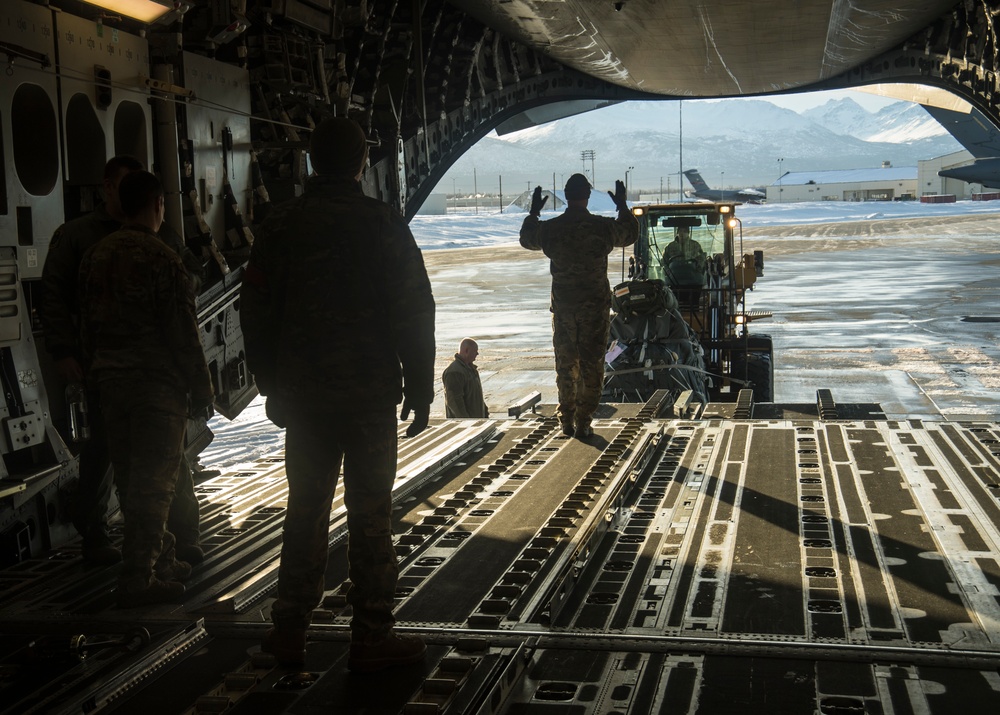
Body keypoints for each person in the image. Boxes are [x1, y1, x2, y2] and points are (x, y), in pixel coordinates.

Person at [240, 117, 435, 672]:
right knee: (370, 514)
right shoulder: (383, 225)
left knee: (305, 509)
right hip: (369, 395)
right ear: (359, 163)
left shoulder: (281, 226)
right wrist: (420, 386)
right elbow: (415, 311)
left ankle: (289, 631)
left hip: (304, 397)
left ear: (310, 161)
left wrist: (270, 383)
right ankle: (371, 634)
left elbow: (253, 309)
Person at [40, 156, 206, 566]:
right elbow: (55, 297)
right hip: (132, 373)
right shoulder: (80, 237)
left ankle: (176, 540)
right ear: (109, 188)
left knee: (153, 465)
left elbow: (192, 275)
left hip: (109, 370)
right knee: (115, 455)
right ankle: (112, 541)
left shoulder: (138, 243)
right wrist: (65, 352)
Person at [78, 171, 214, 607]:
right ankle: (138, 576)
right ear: (157, 205)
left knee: (131, 477)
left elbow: (85, 326)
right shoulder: (164, 259)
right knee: (157, 484)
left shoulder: (95, 256)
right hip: (157, 387)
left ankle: (162, 558)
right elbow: (183, 333)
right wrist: (202, 387)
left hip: (111, 385)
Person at [520, 174, 639, 438]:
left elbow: (527, 238)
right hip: (594, 309)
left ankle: (567, 418)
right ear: (587, 196)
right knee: (592, 363)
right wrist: (621, 206)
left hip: (564, 309)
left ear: (566, 195)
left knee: (566, 363)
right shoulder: (601, 227)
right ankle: (584, 420)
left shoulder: (552, 229)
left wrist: (534, 212)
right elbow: (630, 233)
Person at [442, 338, 489, 418]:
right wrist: (466, 422)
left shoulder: (469, 369)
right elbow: (455, 402)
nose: (477, 353)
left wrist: (484, 411)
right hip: (467, 425)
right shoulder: (455, 372)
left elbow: (475, 396)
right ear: (467, 350)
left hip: (476, 422)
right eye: (475, 351)